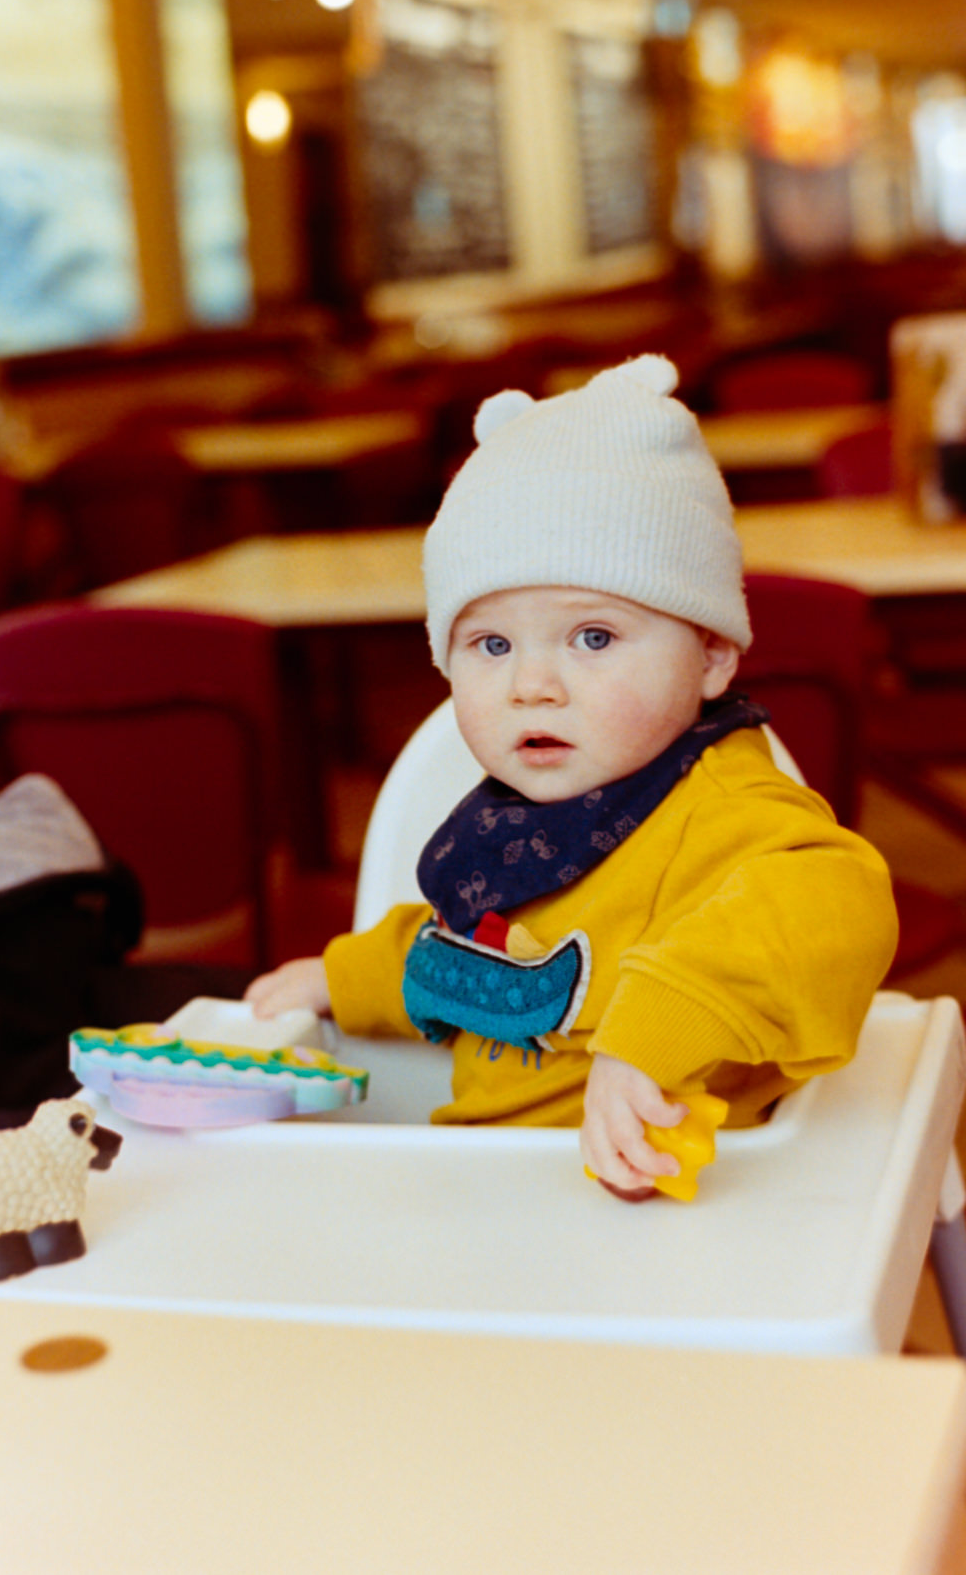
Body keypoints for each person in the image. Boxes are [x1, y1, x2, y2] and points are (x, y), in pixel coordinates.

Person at [246, 355, 898, 1197]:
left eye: (593, 637)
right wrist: (338, 980)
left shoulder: (723, 808)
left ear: (710, 655)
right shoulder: (516, 818)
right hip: (486, 1192)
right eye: (491, 645)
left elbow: (833, 904)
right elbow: (466, 955)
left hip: (647, 1209)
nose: (532, 685)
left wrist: (653, 1034)